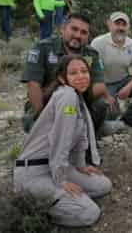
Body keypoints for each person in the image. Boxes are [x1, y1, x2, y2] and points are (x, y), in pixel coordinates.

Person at [14, 54, 112, 227]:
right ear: (62, 78)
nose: (81, 76)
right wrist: (61, 179)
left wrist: (80, 164)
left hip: (55, 165)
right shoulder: (67, 97)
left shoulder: (76, 96)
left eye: (84, 71)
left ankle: (63, 199)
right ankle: (36, 205)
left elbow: (80, 136)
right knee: (89, 213)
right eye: (73, 73)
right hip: (34, 172)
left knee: (102, 185)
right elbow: (61, 139)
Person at [21, 12, 110, 138]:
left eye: (84, 32)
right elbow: (33, 85)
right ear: (63, 29)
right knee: (39, 134)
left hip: (80, 102)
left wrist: (72, 98)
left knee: (100, 105)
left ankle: (89, 138)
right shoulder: (42, 48)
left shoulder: (91, 54)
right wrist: (43, 116)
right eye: (74, 29)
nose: (78, 35)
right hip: (47, 103)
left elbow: (100, 86)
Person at [91, 11, 132, 126]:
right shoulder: (98, 43)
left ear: (128, 27)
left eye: (124, 25)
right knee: (110, 113)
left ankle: (128, 119)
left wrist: (128, 88)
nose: (120, 28)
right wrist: (105, 94)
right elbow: (93, 72)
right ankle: (114, 115)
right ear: (109, 24)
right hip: (104, 83)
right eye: (117, 24)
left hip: (123, 80)